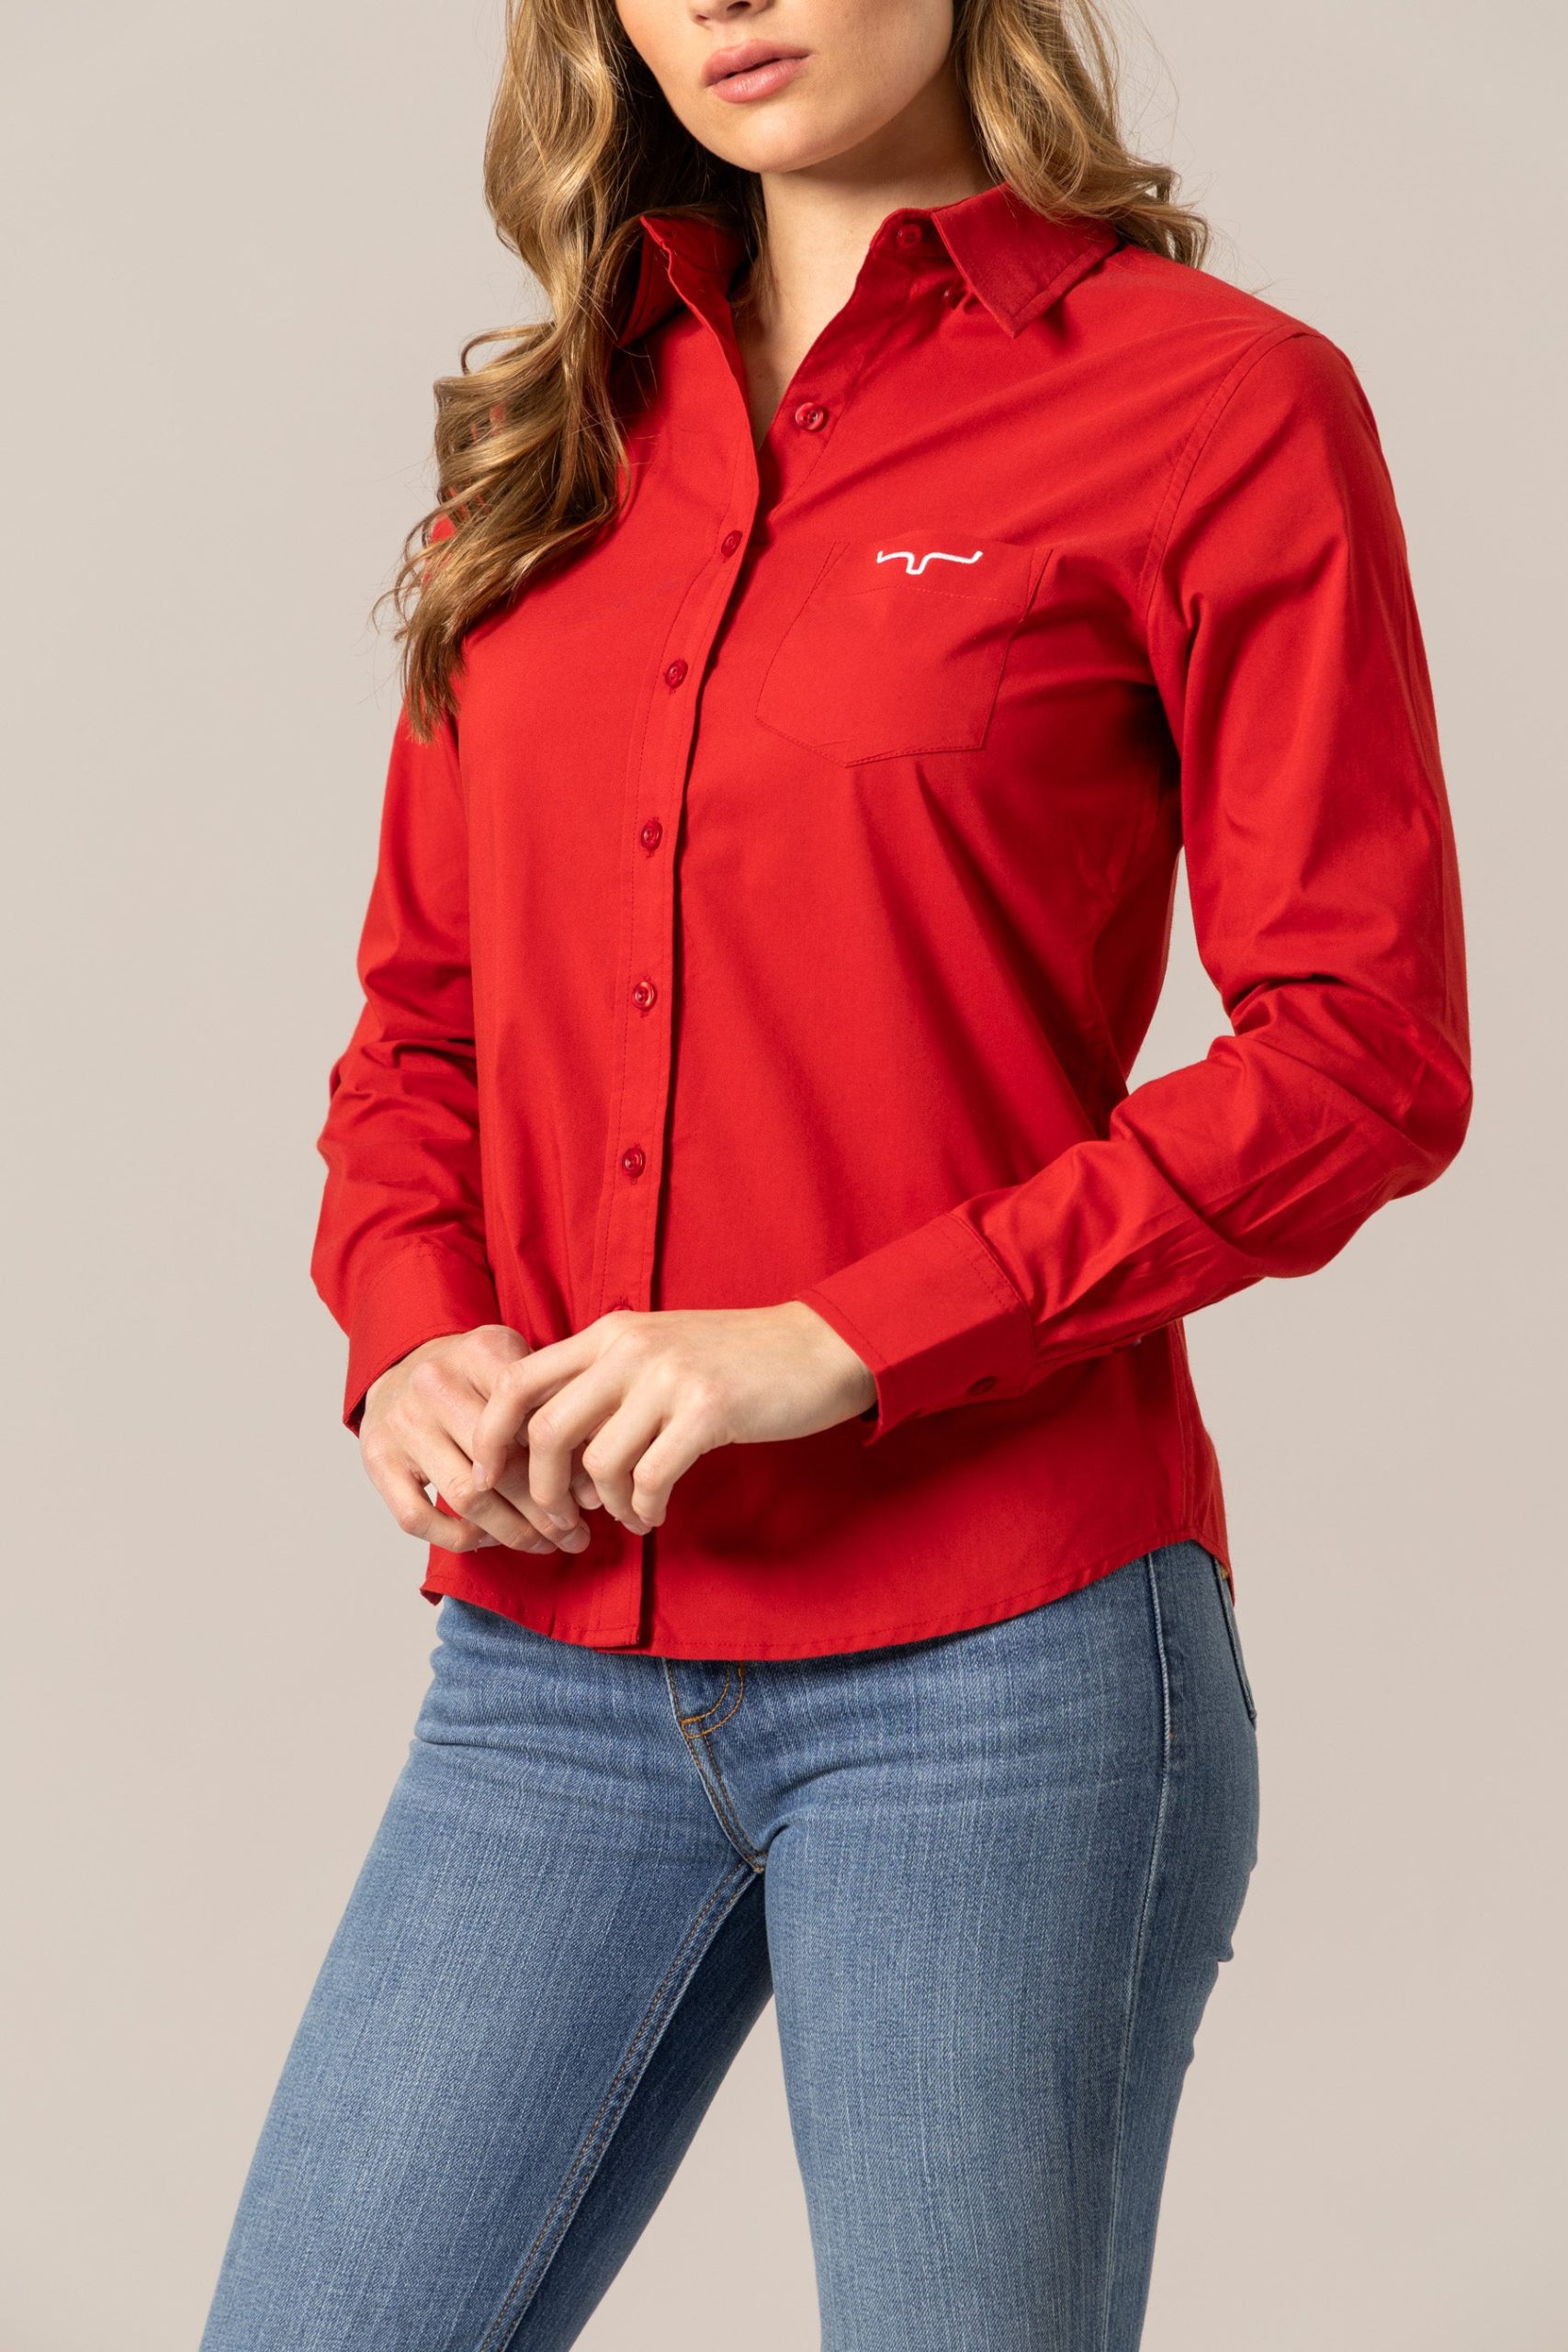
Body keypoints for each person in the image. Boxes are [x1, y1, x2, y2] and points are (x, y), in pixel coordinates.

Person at [198, 2, 1472, 2345]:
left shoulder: (1218, 405)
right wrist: (410, 1327)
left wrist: (838, 1337)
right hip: (554, 1650)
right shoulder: (562, 434)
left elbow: (1359, 1049)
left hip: (1001, 1659)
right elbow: (423, 1023)